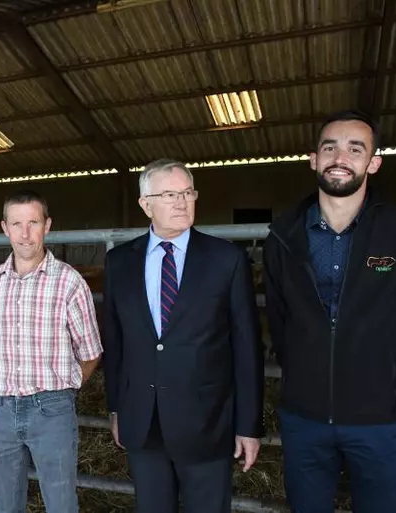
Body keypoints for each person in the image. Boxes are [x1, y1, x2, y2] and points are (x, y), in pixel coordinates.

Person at [263, 109, 396, 513]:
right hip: (305, 418)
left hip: (384, 420)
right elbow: (278, 319)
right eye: (330, 148)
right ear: (314, 159)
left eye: (354, 149)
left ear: (373, 163)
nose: (340, 158)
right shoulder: (283, 236)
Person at [102, 159, 264, 513]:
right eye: (169, 194)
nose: (181, 202)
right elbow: (115, 345)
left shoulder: (227, 259)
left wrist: (249, 425)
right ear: (146, 204)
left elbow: (247, 346)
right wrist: (116, 408)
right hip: (144, 422)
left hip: (208, 421)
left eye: (188, 193)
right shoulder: (119, 263)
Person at [0, 190, 103, 513]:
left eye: (33, 222)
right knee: (5, 503)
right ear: (5, 228)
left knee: (60, 502)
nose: (25, 233)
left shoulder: (69, 282)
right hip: (0, 410)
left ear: (47, 225)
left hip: (51, 409)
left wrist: (62, 392)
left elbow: (90, 352)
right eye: (16, 223)